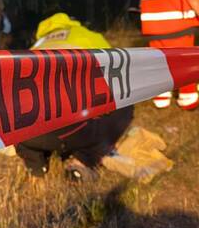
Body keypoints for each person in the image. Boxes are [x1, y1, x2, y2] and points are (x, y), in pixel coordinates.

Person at [16, 13, 134, 181]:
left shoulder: (37, 45)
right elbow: (117, 74)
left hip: (28, 132)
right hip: (76, 129)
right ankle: (83, 161)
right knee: (125, 103)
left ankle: (35, 164)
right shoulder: (88, 36)